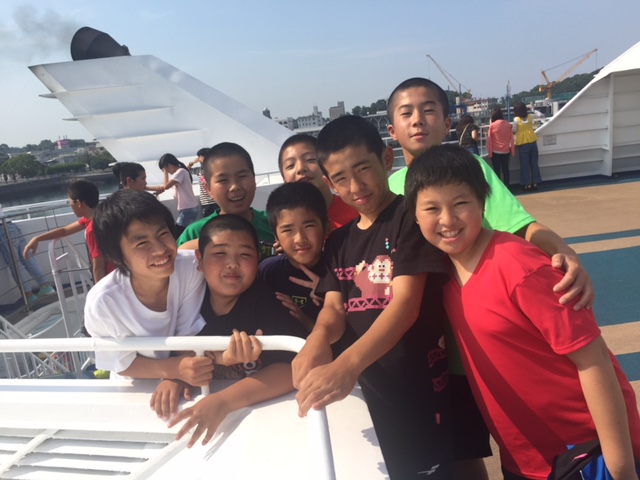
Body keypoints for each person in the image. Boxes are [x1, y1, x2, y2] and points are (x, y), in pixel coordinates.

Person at [386, 77, 595, 478]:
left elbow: (523, 226)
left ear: (448, 123)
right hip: (429, 350)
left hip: (480, 343)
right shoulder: (389, 188)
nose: (418, 120)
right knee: (456, 454)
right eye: (406, 113)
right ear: (392, 130)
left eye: (429, 110)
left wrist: (564, 253)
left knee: (503, 440)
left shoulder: (472, 172)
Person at [405, 144, 640, 480]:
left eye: (460, 203)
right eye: (432, 208)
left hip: (584, 451)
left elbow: (594, 359)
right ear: (414, 216)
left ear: (482, 203)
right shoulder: (442, 273)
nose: (447, 220)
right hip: (525, 458)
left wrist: (621, 466)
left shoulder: (519, 265)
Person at [292, 115, 452, 479]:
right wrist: (318, 338)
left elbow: (405, 305)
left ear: (386, 158)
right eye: (340, 178)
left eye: (362, 169)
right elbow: (333, 307)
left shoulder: (410, 219)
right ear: (329, 184)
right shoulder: (338, 241)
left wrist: (346, 366)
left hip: (417, 393)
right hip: (369, 395)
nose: (355, 186)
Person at [166, 214, 308, 447]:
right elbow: (174, 351)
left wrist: (223, 401)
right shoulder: (186, 302)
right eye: (220, 253)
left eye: (245, 254)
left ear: (258, 260)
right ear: (199, 259)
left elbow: (293, 367)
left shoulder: (267, 304)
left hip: (270, 420)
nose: (232, 263)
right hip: (195, 418)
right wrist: (175, 375)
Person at [84, 189, 213, 386]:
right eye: (142, 243)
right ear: (117, 256)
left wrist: (176, 379)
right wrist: (175, 370)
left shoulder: (191, 268)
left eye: (163, 234)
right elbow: (120, 362)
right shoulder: (103, 302)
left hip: (183, 380)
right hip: (134, 388)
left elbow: (186, 337)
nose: (160, 249)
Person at [176, 142, 275, 260]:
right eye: (223, 180)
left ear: (254, 179)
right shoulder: (194, 234)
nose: (235, 187)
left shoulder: (275, 224)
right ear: (208, 189)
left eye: (242, 176)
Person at [260, 182, 329, 332]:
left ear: (326, 226)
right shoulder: (268, 271)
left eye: (308, 226)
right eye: (287, 230)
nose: (300, 239)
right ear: (275, 236)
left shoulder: (339, 270)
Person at [23, 179, 113, 283]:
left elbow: (98, 266)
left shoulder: (92, 230)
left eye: (69, 203)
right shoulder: (100, 216)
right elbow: (64, 231)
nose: (70, 206)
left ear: (78, 203)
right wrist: (37, 238)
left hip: (110, 280)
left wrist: (98, 291)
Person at [278, 134, 358, 232]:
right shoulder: (282, 224)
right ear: (284, 181)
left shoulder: (357, 209)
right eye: (290, 165)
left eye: (310, 159)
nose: (300, 168)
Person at [0, 204, 54, 303]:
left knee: (16, 265)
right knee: (28, 257)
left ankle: (29, 296)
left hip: (2, 229)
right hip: (11, 226)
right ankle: (46, 286)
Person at [158, 153, 200, 237]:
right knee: (184, 233)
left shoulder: (181, 172)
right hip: (188, 208)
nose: (167, 172)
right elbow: (163, 187)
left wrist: (165, 173)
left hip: (188, 209)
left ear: (169, 165)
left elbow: (166, 186)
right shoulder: (179, 173)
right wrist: (146, 188)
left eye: (165, 169)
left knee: (178, 232)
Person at [513, 101, 543, 191]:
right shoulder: (530, 116)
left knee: (524, 165)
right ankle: (536, 182)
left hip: (523, 144)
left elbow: (514, 130)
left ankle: (527, 184)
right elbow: (541, 115)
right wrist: (532, 109)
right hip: (532, 141)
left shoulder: (516, 120)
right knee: (534, 163)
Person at [188, 147, 219, 218]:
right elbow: (185, 171)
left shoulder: (215, 168)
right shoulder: (199, 170)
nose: (199, 159)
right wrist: (191, 163)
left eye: (200, 156)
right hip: (205, 202)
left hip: (217, 200)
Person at [487, 107, 515, 185]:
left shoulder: (492, 125)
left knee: (497, 171)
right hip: (506, 150)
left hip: (495, 151)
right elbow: (511, 138)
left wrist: (489, 152)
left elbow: (489, 139)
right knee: (505, 170)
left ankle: (499, 187)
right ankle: (507, 187)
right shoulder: (508, 124)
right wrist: (512, 151)